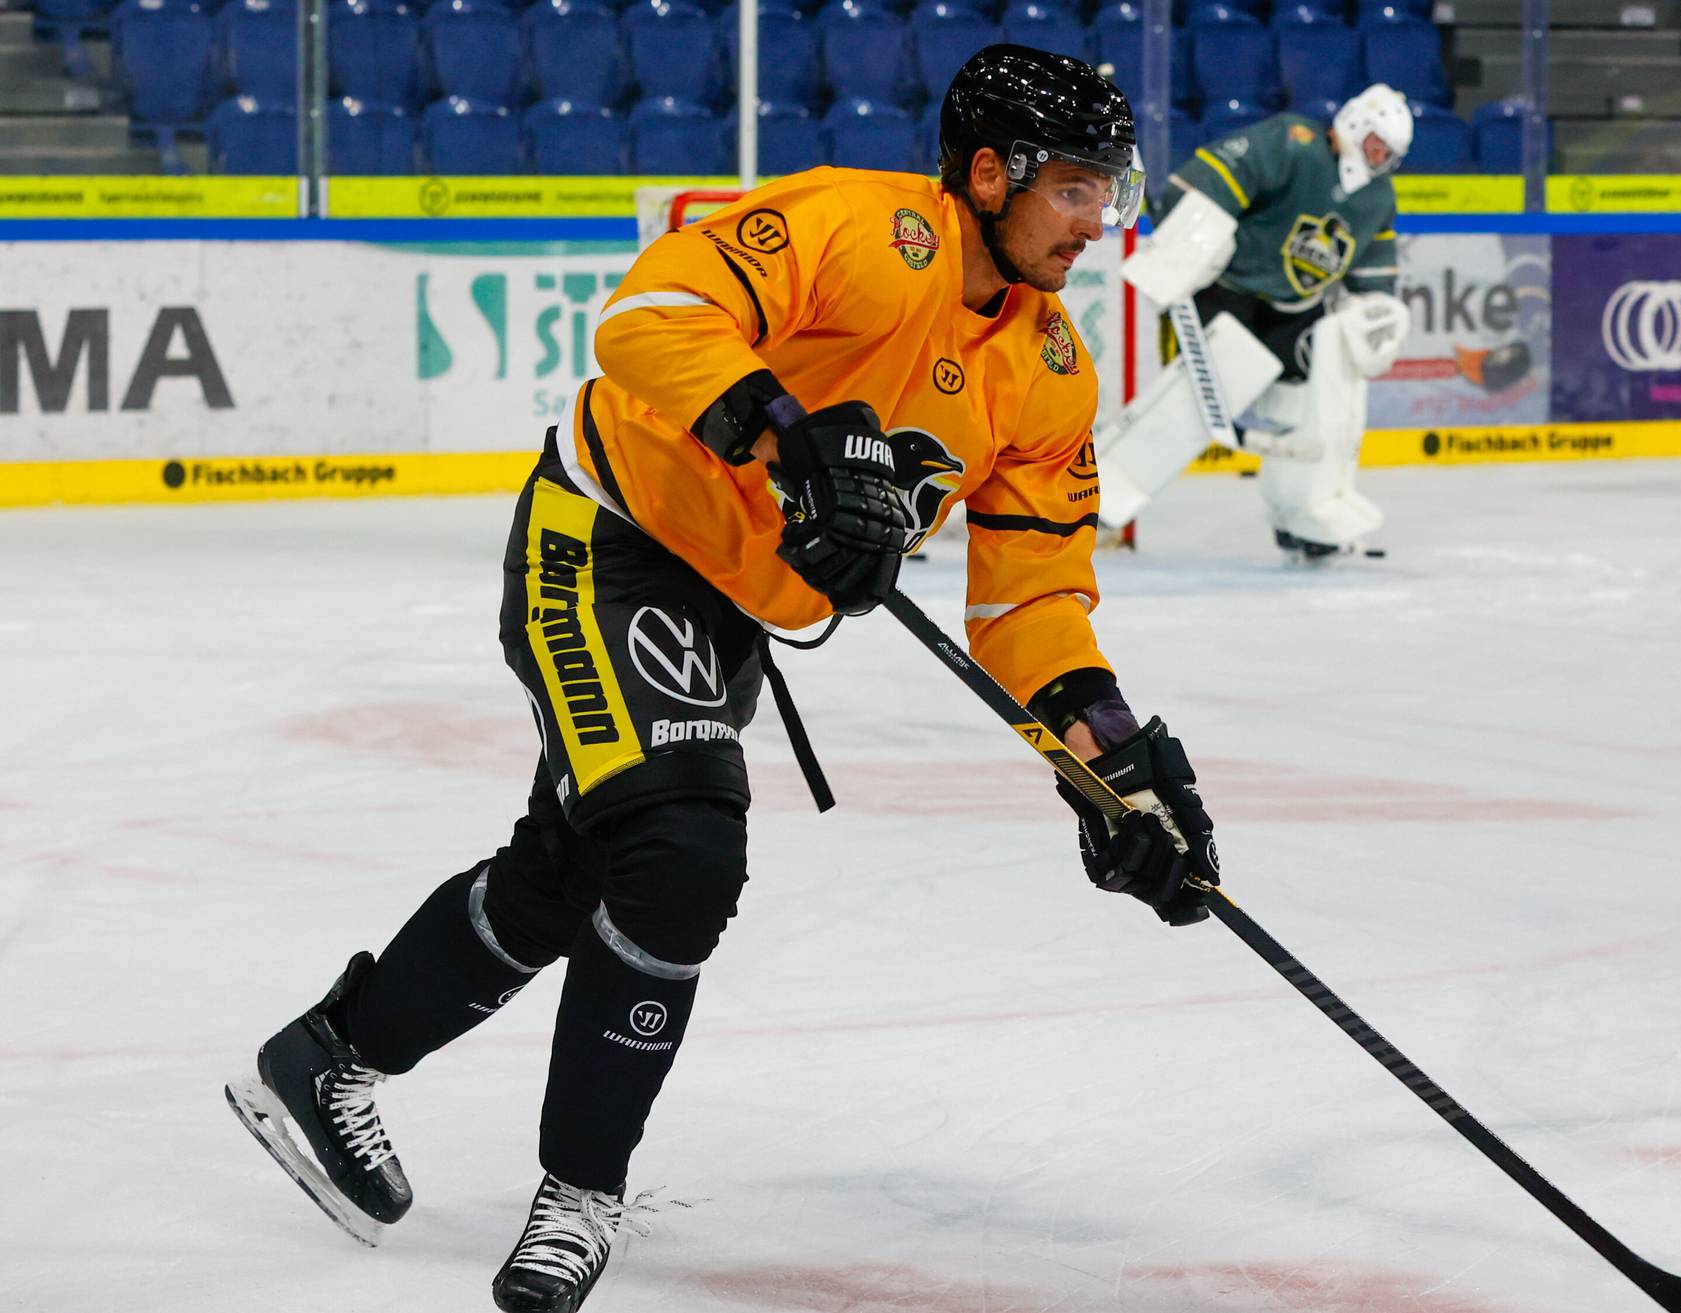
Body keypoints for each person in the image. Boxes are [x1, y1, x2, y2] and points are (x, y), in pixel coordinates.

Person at [223, 44, 1222, 1313]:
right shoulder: (860, 229)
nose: (1098, 221)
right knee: (680, 849)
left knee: (573, 867)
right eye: (1077, 188)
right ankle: (581, 1189)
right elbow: (645, 317)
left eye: (1110, 192)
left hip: (731, 610)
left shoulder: (1052, 367)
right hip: (611, 538)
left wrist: (1108, 757)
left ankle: (328, 1056)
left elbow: (1029, 597)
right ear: (990, 173)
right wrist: (784, 431)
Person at [1098, 86, 1417, 560]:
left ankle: (1305, 513)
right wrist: (1185, 239)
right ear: (1353, 125)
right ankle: (1102, 496)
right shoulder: (1293, 141)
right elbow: (1207, 182)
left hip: (1293, 310)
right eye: (1376, 145)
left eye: (1389, 153)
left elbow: (1374, 278)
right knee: (1215, 383)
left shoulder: (1377, 198)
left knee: (1323, 376)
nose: (1380, 159)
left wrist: (1377, 316)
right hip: (1228, 292)